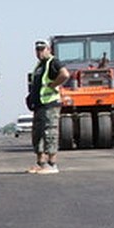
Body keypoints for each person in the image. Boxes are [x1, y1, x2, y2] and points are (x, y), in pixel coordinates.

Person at [26, 40, 70, 173]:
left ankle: (52, 164)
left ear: (48, 49)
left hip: (50, 104)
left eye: (42, 49)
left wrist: (53, 85)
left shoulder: (53, 62)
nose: (39, 52)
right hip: (39, 105)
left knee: (50, 132)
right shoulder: (39, 65)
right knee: (37, 134)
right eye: (37, 50)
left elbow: (65, 74)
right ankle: (41, 163)